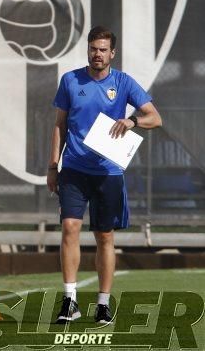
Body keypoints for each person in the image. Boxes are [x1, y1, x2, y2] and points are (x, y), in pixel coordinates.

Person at [47, 26, 162, 325]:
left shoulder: (123, 83)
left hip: (108, 171)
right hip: (73, 168)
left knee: (104, 236)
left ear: (112, 53)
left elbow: (155, 117)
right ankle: (70, 300)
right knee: (70, 227)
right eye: (93, 48)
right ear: (88, 50)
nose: (97, 54)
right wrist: (52, 166)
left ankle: (102, 303)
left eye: (102, 50)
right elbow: (59, 124)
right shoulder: (70, 80)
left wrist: (132, 120)